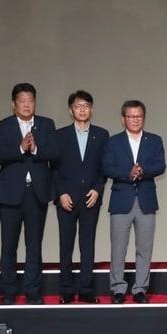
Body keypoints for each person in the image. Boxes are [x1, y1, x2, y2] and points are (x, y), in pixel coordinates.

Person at [0, 82, 58, 304]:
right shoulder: (3, 125)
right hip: (10, 194)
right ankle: (9, 292)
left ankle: (33, 291)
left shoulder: (46, 124)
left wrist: (36, 149)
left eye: (30, 100)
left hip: (36, 193)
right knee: (8, 245)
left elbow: (54, 153)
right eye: (22, 101)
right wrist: (21, 148)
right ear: (13, 104)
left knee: (34, 246)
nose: (27, 104)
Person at [103, 100, 165, 303]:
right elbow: (107, 168)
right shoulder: (114, 142)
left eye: (139, 116)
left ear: (144, 118)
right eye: (131, 116)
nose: (135, 120)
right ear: (123, 119)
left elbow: (160, 165)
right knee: (118, 248)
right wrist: (128, 173)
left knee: (144, 248)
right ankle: (118, 289)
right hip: (121, 200)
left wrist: (142, 171)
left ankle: (140, 289)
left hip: (146, 200)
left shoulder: (154, 140)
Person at [52, 90, 108, 304]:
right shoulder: (60, 135)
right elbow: (53, 168)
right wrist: (61, 193)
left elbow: (105, 167)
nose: (82, 109)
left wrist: (98, 189)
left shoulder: (101, 135)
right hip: (66, 199)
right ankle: (66, 291)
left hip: (90, 198)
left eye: (86, 106)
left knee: (88, 246)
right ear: (71, 110)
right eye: (78, 106)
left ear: (91, 109)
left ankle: (86, 290)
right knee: (65, 246)